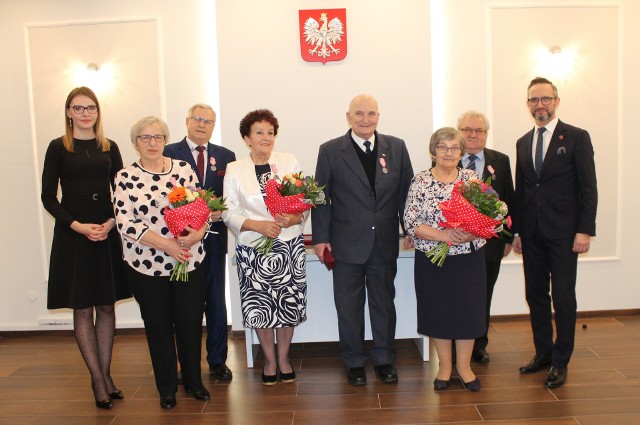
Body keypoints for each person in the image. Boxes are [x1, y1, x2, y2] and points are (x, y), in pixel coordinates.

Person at [312, 94, 414, 386]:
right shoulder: (330, 150)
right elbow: (321, 198)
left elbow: (406, 193)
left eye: (371, 113)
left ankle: (384, 359)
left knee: (383, 303)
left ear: (378, 116)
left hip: (383, 242)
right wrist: (321, 238)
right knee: (348, 305)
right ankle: (354, 361)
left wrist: (409, 229)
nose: (365, 119)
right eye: (359, 114)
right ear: (348, 116)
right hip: (344, 244)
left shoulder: (396, 147)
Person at [41, 86, 131, 409]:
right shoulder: (58, 148)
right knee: (83, 307)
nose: (85, 113)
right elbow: (48, 197)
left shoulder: (110, 146)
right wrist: (78, 226)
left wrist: (110, 223)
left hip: (106, 232)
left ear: (97, 111)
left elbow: (123, 194)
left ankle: (106, 375)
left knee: (107, 306)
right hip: (74, 236)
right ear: (68, 112)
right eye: (78, 108)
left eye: (90, 108)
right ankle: (96, 379)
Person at [113, 116, 210, 409]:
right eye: (145, 138)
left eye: (158, 137)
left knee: (190, 323)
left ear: (166, 140)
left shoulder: (183, 169)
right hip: (147, 266)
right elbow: (125, 223)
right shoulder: (124, 177)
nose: (152, 143)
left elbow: (201, 208)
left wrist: (196, 234)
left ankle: (193, 381)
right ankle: (166, 387)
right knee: (158, 326)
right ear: (135, 143)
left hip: (188, 260)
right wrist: (166, 244)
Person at [512, 77, 597, 388]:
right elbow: (523, 189)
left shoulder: (576, 137)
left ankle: (561, 361)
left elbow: (588, 188)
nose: (540, 105)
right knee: (535, 295)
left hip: (564, 234)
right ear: (528, 105)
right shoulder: (523, 142)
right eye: (534, 100)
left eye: (545, 99)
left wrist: (585, 230)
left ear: (556, 101)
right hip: (531, 233)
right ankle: (543, 354)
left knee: (563, 297)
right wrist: (517, 231)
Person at [222, 109, 307, 385]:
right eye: (259, 132)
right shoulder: (235, 169)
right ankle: (269, 360)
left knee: (287, 307)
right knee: (261, 308)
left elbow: (303, 203)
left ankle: (284, 358)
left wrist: (293, 217)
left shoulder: (289, 162)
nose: (266, 137)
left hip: (288, 245)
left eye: (270, 132)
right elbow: (227, 212)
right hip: (253, 248)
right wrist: (257, 225)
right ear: (247, 138)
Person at [403, 127, 486, 392]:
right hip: (433, 258)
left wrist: (469, 232)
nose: (448, 153)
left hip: (468, 257)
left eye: (454, 148)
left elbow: (487, 216)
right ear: (433, 151)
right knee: (438, 310)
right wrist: (444, 235)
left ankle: (464, 367)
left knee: (468, 311)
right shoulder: (421, 181)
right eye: (442, 147)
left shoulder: (471, 179)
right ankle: (445, 367)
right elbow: (411, 221)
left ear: (462, 152)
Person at [164, 104, 236, 381]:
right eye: (198, 119)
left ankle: (217, 360)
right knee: (186, 307)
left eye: (209, 121)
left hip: (215, 242)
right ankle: (187, 364)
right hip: (181, 243)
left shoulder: (225, 156)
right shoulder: (170, 153)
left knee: (216, 303)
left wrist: (221, 210)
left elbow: (230, 195)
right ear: (187, 121)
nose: (202, 125)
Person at [457, 111, 515, 363]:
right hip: (457, 242)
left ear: (485, 134)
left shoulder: (500, 160)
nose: (472, 135)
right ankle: (453, 341)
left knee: (483, 294)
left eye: (478, 130)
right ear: (459, 132)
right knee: (458, 292)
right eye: (467, 129)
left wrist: (508, 238)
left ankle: (479, 344)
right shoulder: (448, 158)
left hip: (491, 244)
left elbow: (509, 199)